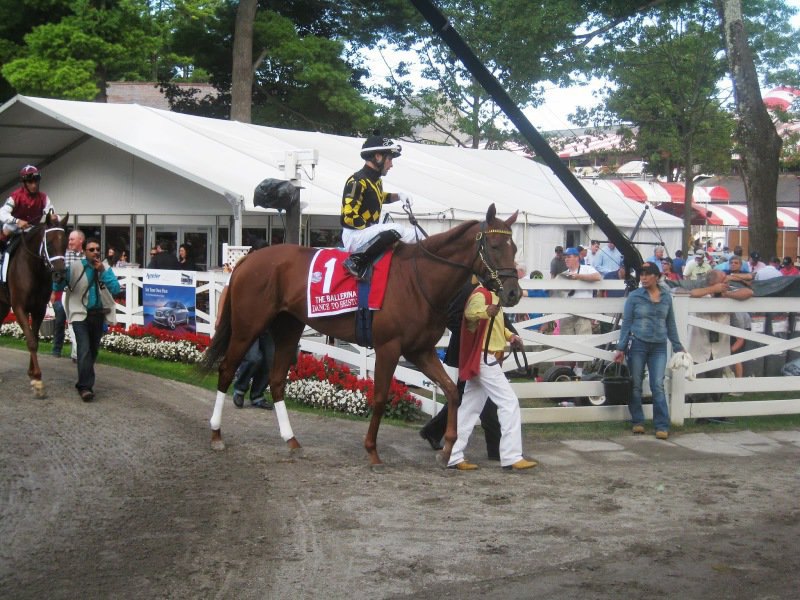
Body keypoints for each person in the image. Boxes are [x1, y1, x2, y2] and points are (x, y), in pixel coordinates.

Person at [447, 281, 538, 471]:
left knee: (470, 408)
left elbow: (495, 325)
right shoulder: (481, 295)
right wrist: (485, 312)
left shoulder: (493, 296)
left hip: (486, 357)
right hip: (485, 358)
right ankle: (511, 456)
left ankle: (453, 454)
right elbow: (469, 315)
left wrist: (509, 336)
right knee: (509, 402)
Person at [418, 280, 501, 460]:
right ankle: (495, 447)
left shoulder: (490, 289)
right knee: (479, 395)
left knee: (464, 394)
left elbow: (499, 318)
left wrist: (511, 333)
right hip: (470, 350)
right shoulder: (468, 288)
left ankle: (433, 430)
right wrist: (470, 336)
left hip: (481, 350)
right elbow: (453, 316)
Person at [614, 262, 685, 440]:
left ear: (656, 276)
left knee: (657, 385)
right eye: (641, 275)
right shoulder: (635, 297)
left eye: (647, 274)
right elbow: (627, 324)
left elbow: (670, 324)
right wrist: (621, 348)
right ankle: (637, 421)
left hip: (659, 346)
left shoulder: (667, 297)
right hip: (637, 343)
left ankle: (662, 424)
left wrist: (677, 345)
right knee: (636, 384)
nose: (643, 278)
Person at [340, 132, 416, 279]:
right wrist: (371, 226)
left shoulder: (376, 182)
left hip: (366, 234)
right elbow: (348, 217)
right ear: (378, 157)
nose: (391, 164)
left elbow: (379, 197)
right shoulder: (357, 181)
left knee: (416, 235)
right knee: (397, 229)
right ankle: (355, 261)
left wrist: (399, 196)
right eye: (390, 159)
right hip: (354, 236)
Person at [53, 237, 121, 401]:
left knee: (92, 351)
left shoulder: (105, 268)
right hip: (79, 314)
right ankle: (85, 387)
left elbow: (116, 289)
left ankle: (84, 381)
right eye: (91, 250)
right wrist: (58, 276)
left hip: (97, 315)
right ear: (84, 252)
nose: (96, 252)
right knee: (83, 349)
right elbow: (58, 286)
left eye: (98, 249)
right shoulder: (76, 267)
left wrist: (103, 271)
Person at [685, 270, 753, 421]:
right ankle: (707, 415)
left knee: (716, 381)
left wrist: (726, 294)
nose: (727, 283)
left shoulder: (728, 295)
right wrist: (712, 290)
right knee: (697, 382)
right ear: (712, 282)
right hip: (698, 347)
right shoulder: (702, 294)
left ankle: (711, 414)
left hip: (719, 348)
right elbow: (690, 293)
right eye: (723, 280)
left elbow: (748, 292)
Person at [0, 165, 56, 254]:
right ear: (24, 183)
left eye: (36, 181)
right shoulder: (16, 196)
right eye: (30, 182)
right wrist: (17, 221)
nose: (34, 185)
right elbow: (2, 213)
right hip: (13, 229)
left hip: (33, 230)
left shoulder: (44, 198)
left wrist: (54, 217)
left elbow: (51, 213)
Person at [51, 229, 86, 359]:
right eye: (69, 239)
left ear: (80, 240)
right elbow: (57, 274)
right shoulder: (64, 255)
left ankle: (76, 353)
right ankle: (56, 350)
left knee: (77, 323)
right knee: (60, 320)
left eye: (72, 239)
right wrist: (54, 292)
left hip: (80, 296)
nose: (69, 242)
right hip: (63, 293)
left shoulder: (86, 256)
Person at [557, 247, 601, 340]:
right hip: (566, 312)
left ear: (577, 258)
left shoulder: (587, 268)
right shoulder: (563, 274)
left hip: (583, 312)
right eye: (565, 257)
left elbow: (597, 277)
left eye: (569, 257)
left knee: (584, 341)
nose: (566, 259)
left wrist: (578, 277)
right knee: (566, 342)